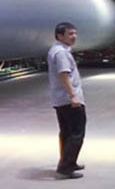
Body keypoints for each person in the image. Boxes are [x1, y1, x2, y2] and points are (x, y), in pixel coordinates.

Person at [47, 22, 86, 179]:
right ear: (59, 35)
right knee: (76, 133)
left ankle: (68, 162)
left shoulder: (57, 50)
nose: (74, 36)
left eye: (75, 33)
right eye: (70, 34)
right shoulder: (61, 53)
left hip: (61, 99)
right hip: (68, 100)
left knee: (67, 132)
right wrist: (73, 96)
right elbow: (63, 74)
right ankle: (66, 167)